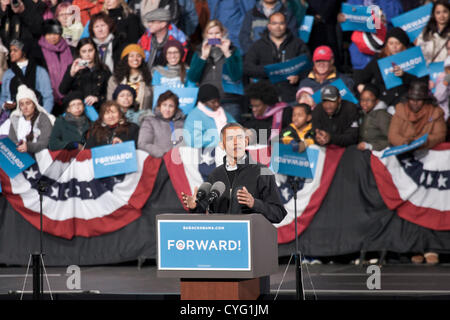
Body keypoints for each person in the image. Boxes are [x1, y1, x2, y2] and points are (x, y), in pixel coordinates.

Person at [181, 122, 287, 223]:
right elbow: (204, 210)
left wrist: (254, 203)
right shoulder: (215, 175)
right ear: (222, 145)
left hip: (251, 236)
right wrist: (194, 207)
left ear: (245, 142)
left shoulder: (262, 172)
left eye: (240, 138)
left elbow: (278, 214)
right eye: (230, 139)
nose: (236, 142)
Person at [354, 27, 429, 110]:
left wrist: (404, 75)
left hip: (404, 102)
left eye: (398, 43)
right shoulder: (379, 59)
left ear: (404, 45)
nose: (394, 47)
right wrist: (362, 86)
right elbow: (362, 76)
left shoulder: (413, 58)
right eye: (391, 43)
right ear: (386, 44)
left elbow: (423, 82)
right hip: (383, 101)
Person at [244, 11, 310, 103]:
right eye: (274, 23)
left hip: (291, 96)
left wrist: (298, 76)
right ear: (269, 26)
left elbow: (308, 66)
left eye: (281, 23)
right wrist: (270, 72)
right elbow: (247, 68)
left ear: (286, 25)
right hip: (266, 98)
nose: (278, 27)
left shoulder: (298, 44)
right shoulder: (258, 46)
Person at [187, 19, 244, 122]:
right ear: (206, 35)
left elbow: (236, 76)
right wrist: (203, 57)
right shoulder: (199, 51)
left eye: (217, 33)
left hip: (228, 100)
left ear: (222, 33)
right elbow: (192, 77)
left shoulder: (233, 51)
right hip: (206, 101)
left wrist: (227, 53)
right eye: (210, 33)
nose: (214, 37)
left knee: (232, 134)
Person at [388, 81, 447, 151]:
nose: (415, 103)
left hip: (428, 151)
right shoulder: (400, 111)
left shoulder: (436, 112)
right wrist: (404, 142)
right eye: (412, 99)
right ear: (408, 99)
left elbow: (440, 135)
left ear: (425, 100)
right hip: (403, 150)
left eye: (419, 100)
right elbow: (393, 135)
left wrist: (422, 141)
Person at [0, 39, 54, 113]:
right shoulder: (8, 73)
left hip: (36, 116)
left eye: (15, 50)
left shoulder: (39, 72)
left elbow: (48, 97)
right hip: (13, 116)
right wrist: (5, 105)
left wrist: (43, 117)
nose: (11, 53)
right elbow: (3, 97)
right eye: (11, 50)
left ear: (24, 52)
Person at [59, 38, 111, 111]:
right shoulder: (73, 67)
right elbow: (62, 91)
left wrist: (97, 99)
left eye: (90, 50)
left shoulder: (104, 69)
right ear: (79, 53)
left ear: (95, 51)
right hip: (79, 110)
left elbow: (110, 93)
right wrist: (71, 74)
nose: (87, 54)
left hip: (99, 109)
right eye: (84, 51)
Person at [183, 83, 236, 148]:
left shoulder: (221, 112)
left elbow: (236, 127)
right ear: (204, 102)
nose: (217, 104)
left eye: (218, 100)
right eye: (213, 102)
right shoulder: (195, 116)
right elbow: (194, 141)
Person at [38, 19, 74, 113]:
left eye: (55, 33)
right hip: (48, 98)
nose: (52, 37)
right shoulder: (38, 52)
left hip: (70, 97)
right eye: (49, 34)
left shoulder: (70, 49)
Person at [8, 85, 55, 154]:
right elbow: (11, 140)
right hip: (18, 156)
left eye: (28, 103)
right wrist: (18, 147)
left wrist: (28, 147)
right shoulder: (16, 119)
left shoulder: (43, 118)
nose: (25, 107)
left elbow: (45, 142)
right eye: (22, 104)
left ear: (34, 104)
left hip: (38, 156)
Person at [242, 80, 292, 145]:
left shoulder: (285, 112)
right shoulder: (256, 115)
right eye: (252, 106)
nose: (254, 109)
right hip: (260, 150)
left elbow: (291, 131)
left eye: (257, 106)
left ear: (267, 103)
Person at [138, 90, 185, 157]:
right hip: (160, 161)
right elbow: (143, 144)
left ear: (175, 108)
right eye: (164, 105)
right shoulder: (150, 121)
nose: (167, 109)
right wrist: (163, 154)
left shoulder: (182, 122)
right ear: (159, 106)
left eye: (171, 106)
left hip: (181, 160)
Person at [107, 44, 153, 111]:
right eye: (131, 56)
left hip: (143, 117)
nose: (135, 59)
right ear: (126, 58)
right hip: (120, 117)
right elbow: (110, 102)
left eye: (139, 56)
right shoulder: (114, 79)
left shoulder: (149, 78)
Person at [357, 84, 392, 151]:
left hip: (380, 154)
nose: (364, 103)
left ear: (377, 101)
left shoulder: (382, 115)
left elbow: (392, 139)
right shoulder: (362, 113)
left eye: (368, 100)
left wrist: (370, 146)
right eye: (362, 100)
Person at [415, 0, 449, 65]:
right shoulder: (426, 31)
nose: (442, 16)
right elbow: (419, 54)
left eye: (445, 12)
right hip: (429, 71)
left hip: (446, 71)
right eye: (438, 12)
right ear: (434, 14)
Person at [433, 54, 450, 121]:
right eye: (448, 69)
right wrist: (445, 84)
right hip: (445, 117)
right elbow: (437, 98)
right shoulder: (443, 81)